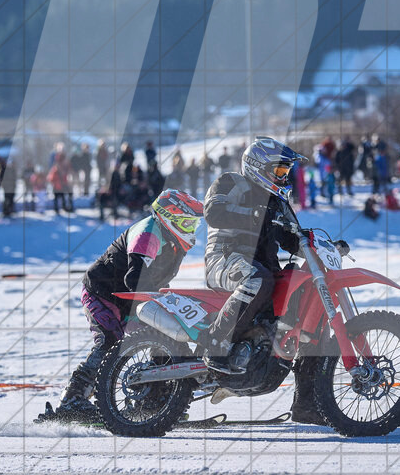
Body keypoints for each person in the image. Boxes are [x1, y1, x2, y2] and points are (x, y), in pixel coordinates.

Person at [43, 189, 204, 423]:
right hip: (102, 293)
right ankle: (72, 400)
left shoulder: (173, 242)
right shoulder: (149, 231)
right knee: (110, 342)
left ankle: (156, 399)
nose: (192, 229)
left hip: (130, 298)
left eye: (194, 224)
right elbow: (135, 278)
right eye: (188, 223)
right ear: (172, 217)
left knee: (163, 336)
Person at [201, 139, 305, 375]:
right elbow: (213, 212)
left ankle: (305, 398)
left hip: (262, 266)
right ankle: (216, 343)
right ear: (258, 167)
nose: (283, 178)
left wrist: (324, 244)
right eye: (279, 171)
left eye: (286, 172)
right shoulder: (231, 182)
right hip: (225, 259)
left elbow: (294, 239)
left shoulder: (277, 202)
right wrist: (255, 214)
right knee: (257, 279)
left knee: (299, 283)